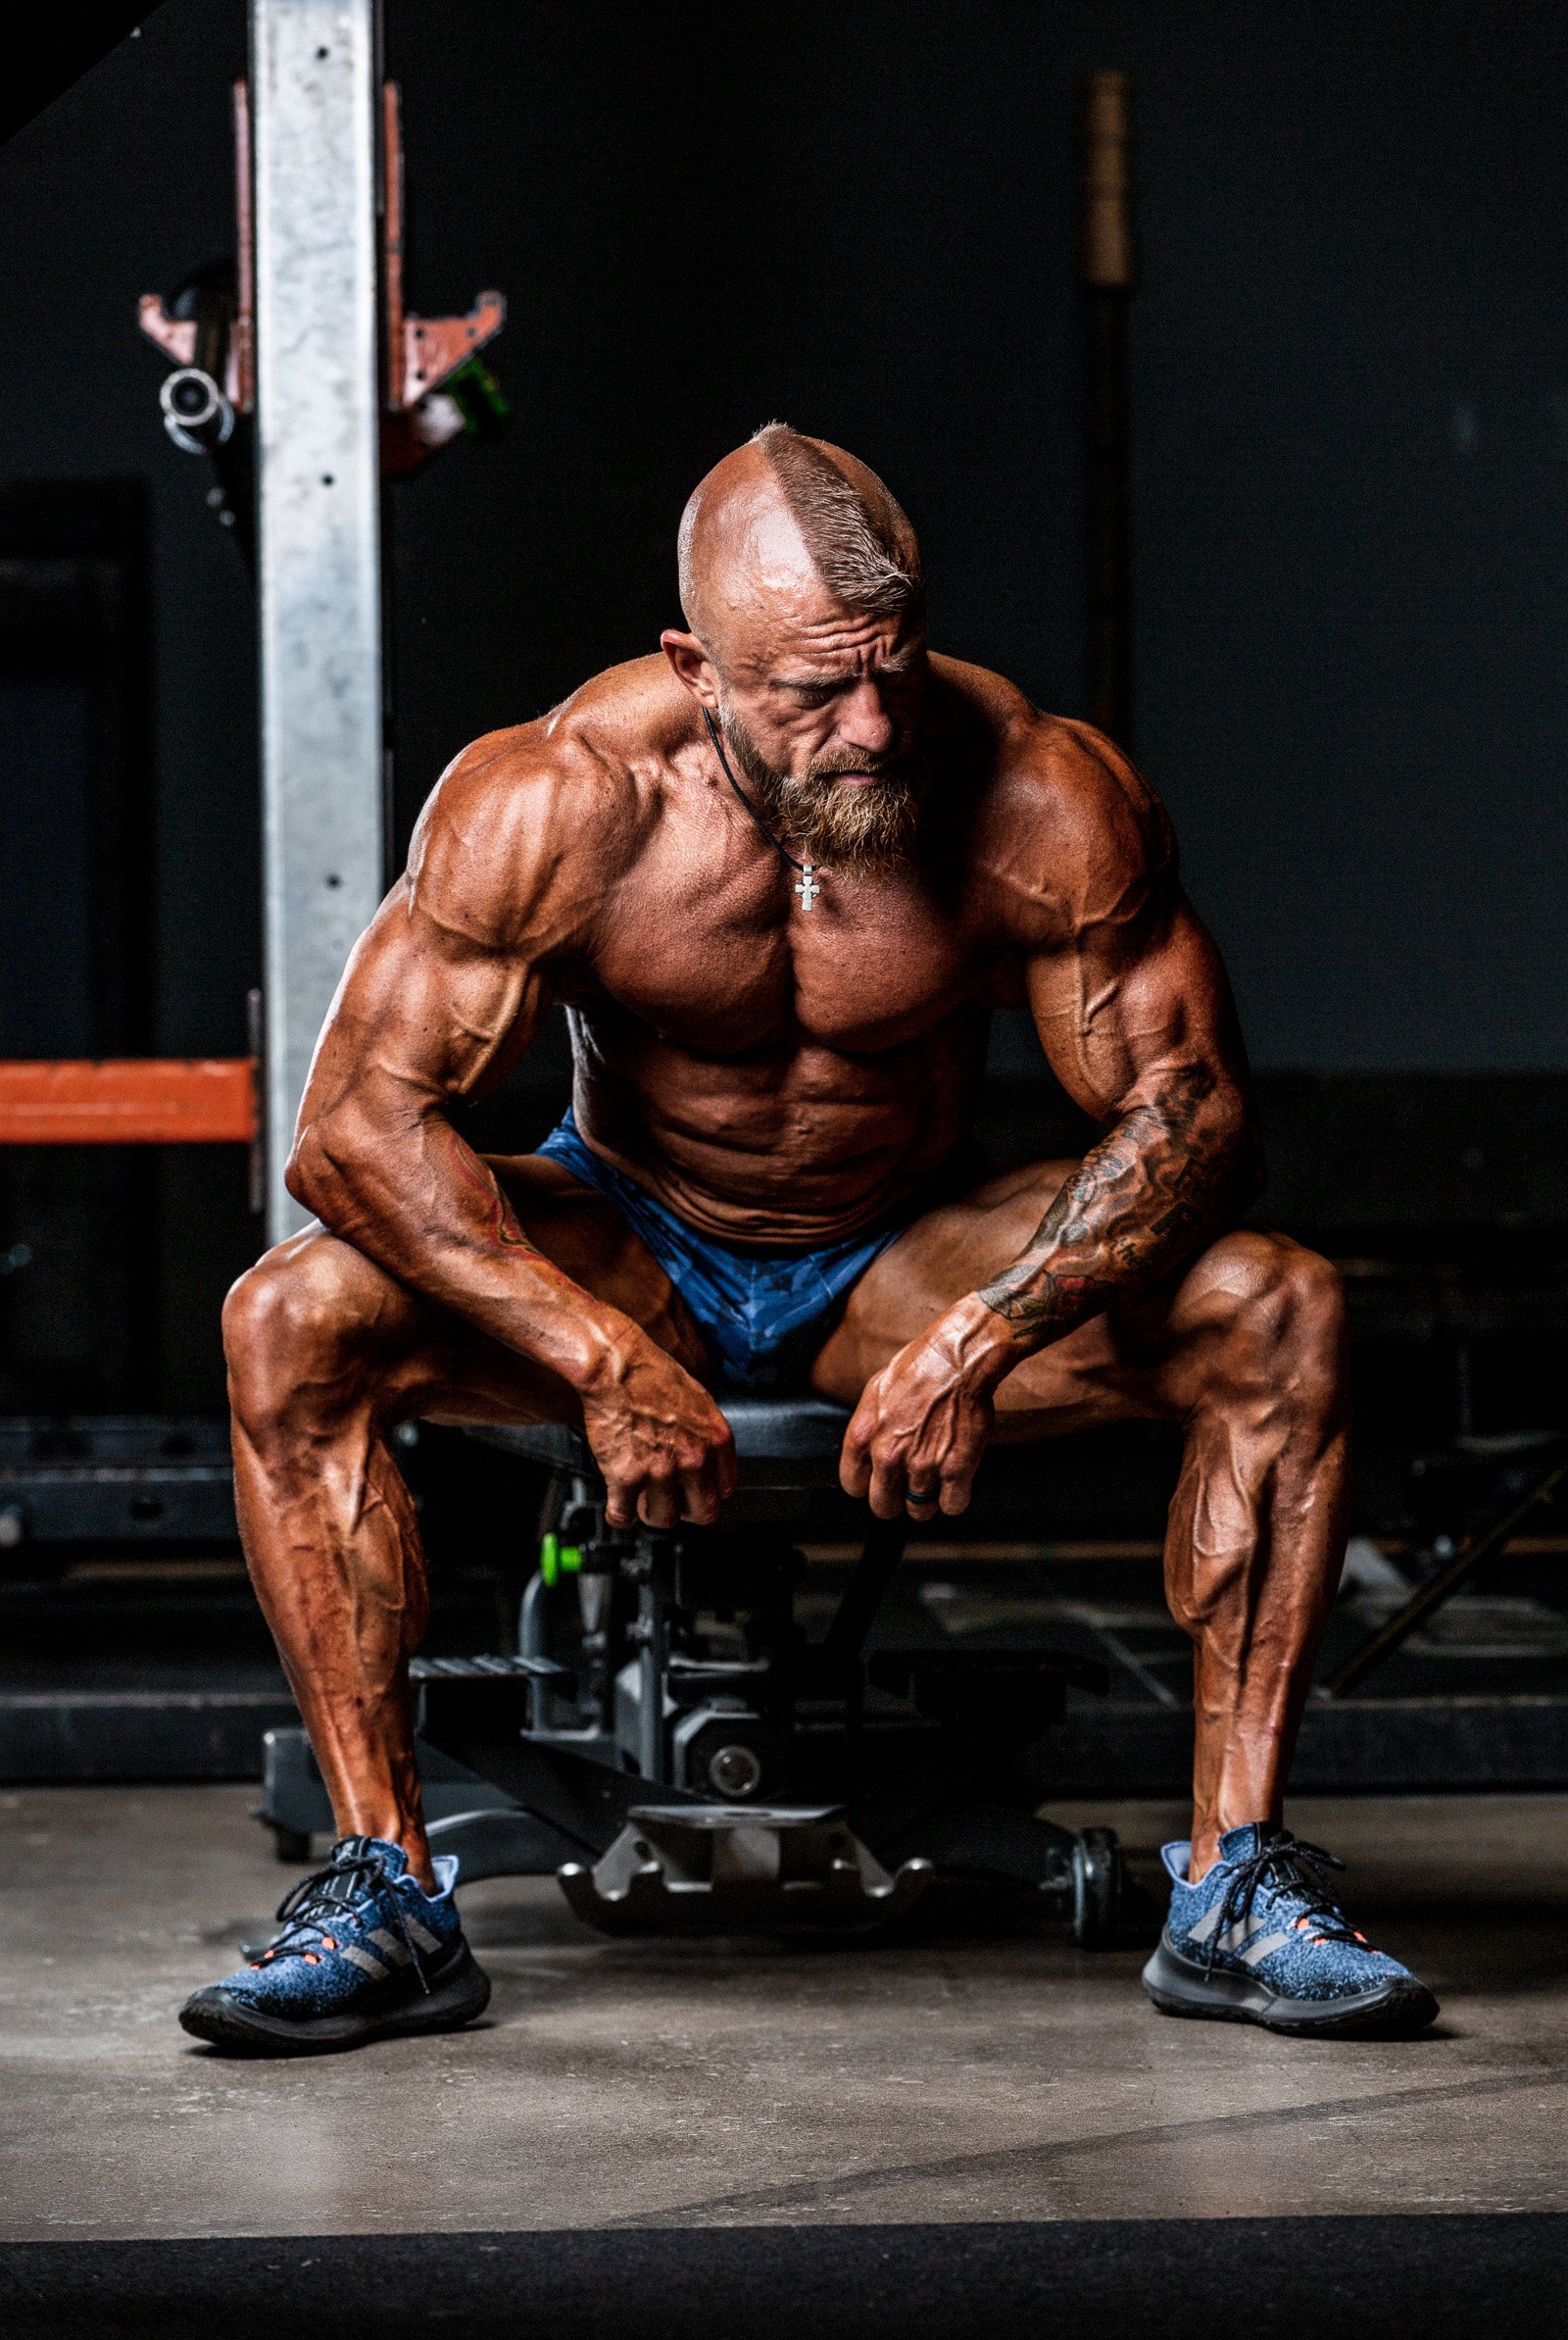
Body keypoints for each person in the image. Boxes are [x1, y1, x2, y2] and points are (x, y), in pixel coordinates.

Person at [181, 424, 1436, 2054]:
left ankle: (1238, 1884)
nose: (871, 727)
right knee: (285, 1320)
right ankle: (384, 1892)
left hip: (902, 1258)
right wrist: (596, 1353)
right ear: (693, 667)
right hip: (629, 1242)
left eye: (892, 672)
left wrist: (985, 1332)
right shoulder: (559, 799)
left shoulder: (1034, 790)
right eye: (811, 694)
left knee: (1285, 1309)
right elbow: (352, 1129)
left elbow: (1195, 1114)